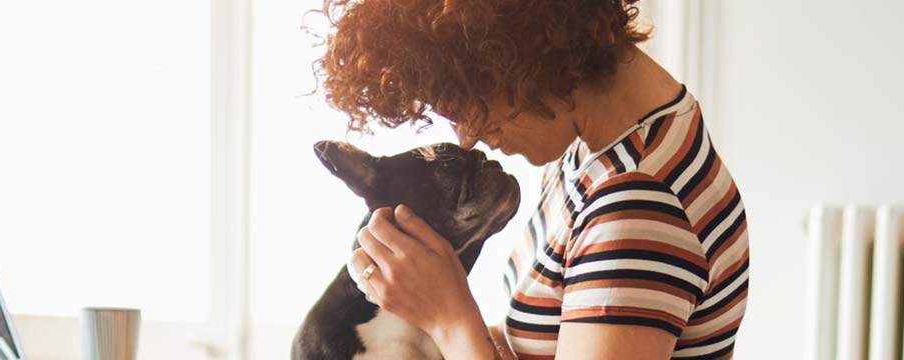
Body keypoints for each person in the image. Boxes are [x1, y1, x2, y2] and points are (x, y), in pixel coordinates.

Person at [318, 0, 750, 358]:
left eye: (462, 101)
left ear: (517, 51)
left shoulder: (637, 205)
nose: (467, 137)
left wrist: (449, 318)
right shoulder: (606, 147)